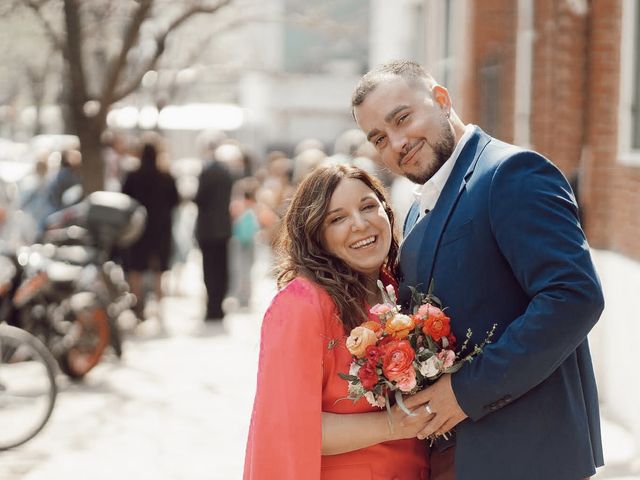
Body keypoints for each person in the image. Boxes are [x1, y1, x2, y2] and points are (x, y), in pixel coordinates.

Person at [351, 60, 604, 480]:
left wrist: (464, 393)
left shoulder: (511, 172)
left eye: (402, 118)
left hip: (529, 456)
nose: (396, 142)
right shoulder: (415, 209)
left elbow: (573, 296)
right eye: (379, 138)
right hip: (459, 457)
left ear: (441, 99)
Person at [244, 165, 431, 479]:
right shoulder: (301, 303)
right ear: (317, 236)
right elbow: (287, 425)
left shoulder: (397, 290)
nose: (360, 224)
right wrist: (393, 424)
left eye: (368, 207)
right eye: (337, 218)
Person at [122, 141, 179, 319]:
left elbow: (125, 199)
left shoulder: (133, 176)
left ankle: (137, 303)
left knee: (136, 268)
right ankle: (159, 307)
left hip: (138, 228)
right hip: (160, 228)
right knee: (158, 269)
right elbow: (175, 201)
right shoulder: (165, 176)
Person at [194, 133, 233, 321]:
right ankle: (218, 305)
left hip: (208, 229)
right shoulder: (225, 172)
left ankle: (213, 307)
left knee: (210, 269)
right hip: (223, 227)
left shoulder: (207, 172)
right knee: (222, 268)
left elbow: (199, 199)